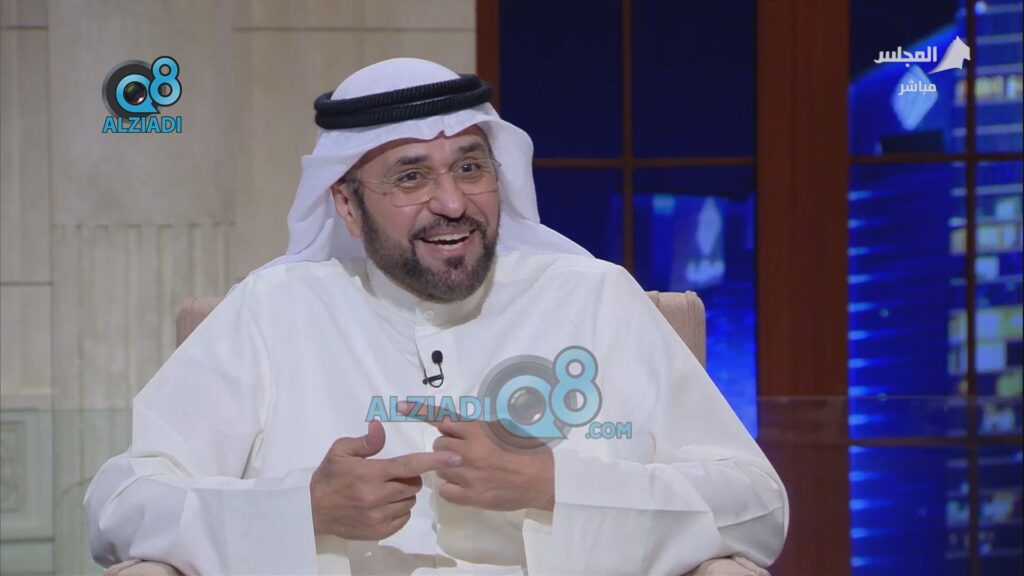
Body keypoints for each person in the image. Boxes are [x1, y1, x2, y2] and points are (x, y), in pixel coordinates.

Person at [85, 58, 788, 575]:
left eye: (471, 168)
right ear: (346, 205)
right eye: (411, 177)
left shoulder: (596, 298)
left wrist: (556, 486)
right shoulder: (272, 312)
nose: (452, 203)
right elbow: (121, 505)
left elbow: (756, 506)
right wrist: (302, 507)